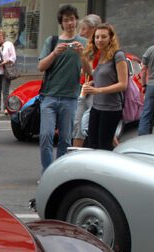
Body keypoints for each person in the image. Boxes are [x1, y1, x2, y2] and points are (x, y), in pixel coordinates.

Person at [37, 4, 87, 172]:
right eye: (66, 20)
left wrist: (82, 55)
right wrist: (54, 53)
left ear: (76, 20)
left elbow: (89, 72)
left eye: (72, 19)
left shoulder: (84, 43)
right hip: (49, 96)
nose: (70, 23)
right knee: (45, 136)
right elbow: (41, 66)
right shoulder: (52, 41)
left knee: (65, 139)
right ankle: (47, 171)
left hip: (70, 97)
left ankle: (60, 173)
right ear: (61, 23)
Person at [80, 23, 127, 150]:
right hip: (96, 107)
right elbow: (105, 78)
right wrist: (93, 83)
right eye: (97, 37)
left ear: (111, 38)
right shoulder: (99, 55)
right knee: (91, 144)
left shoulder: (118, 55)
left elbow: (123, 84)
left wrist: (98, 90)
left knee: (104, 146)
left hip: (111, 108)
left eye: (103, 37)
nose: (99, 40)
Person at [71, 14, 101, 147]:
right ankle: (74, 155)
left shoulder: (103, 49)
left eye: (84, 29)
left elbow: (101, 72)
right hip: (84, 88)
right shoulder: (88, 47)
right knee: (78, 124)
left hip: (96, 90)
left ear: (94, 29)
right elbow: (85, 70)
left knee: (90, 124)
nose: (81, 33)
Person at [0, 29, 16, 113]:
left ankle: (6, 108)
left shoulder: (9, 44)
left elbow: (13, 57)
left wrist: (6, 61)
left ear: (4, 36)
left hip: (6, 71)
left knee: (5, 90)